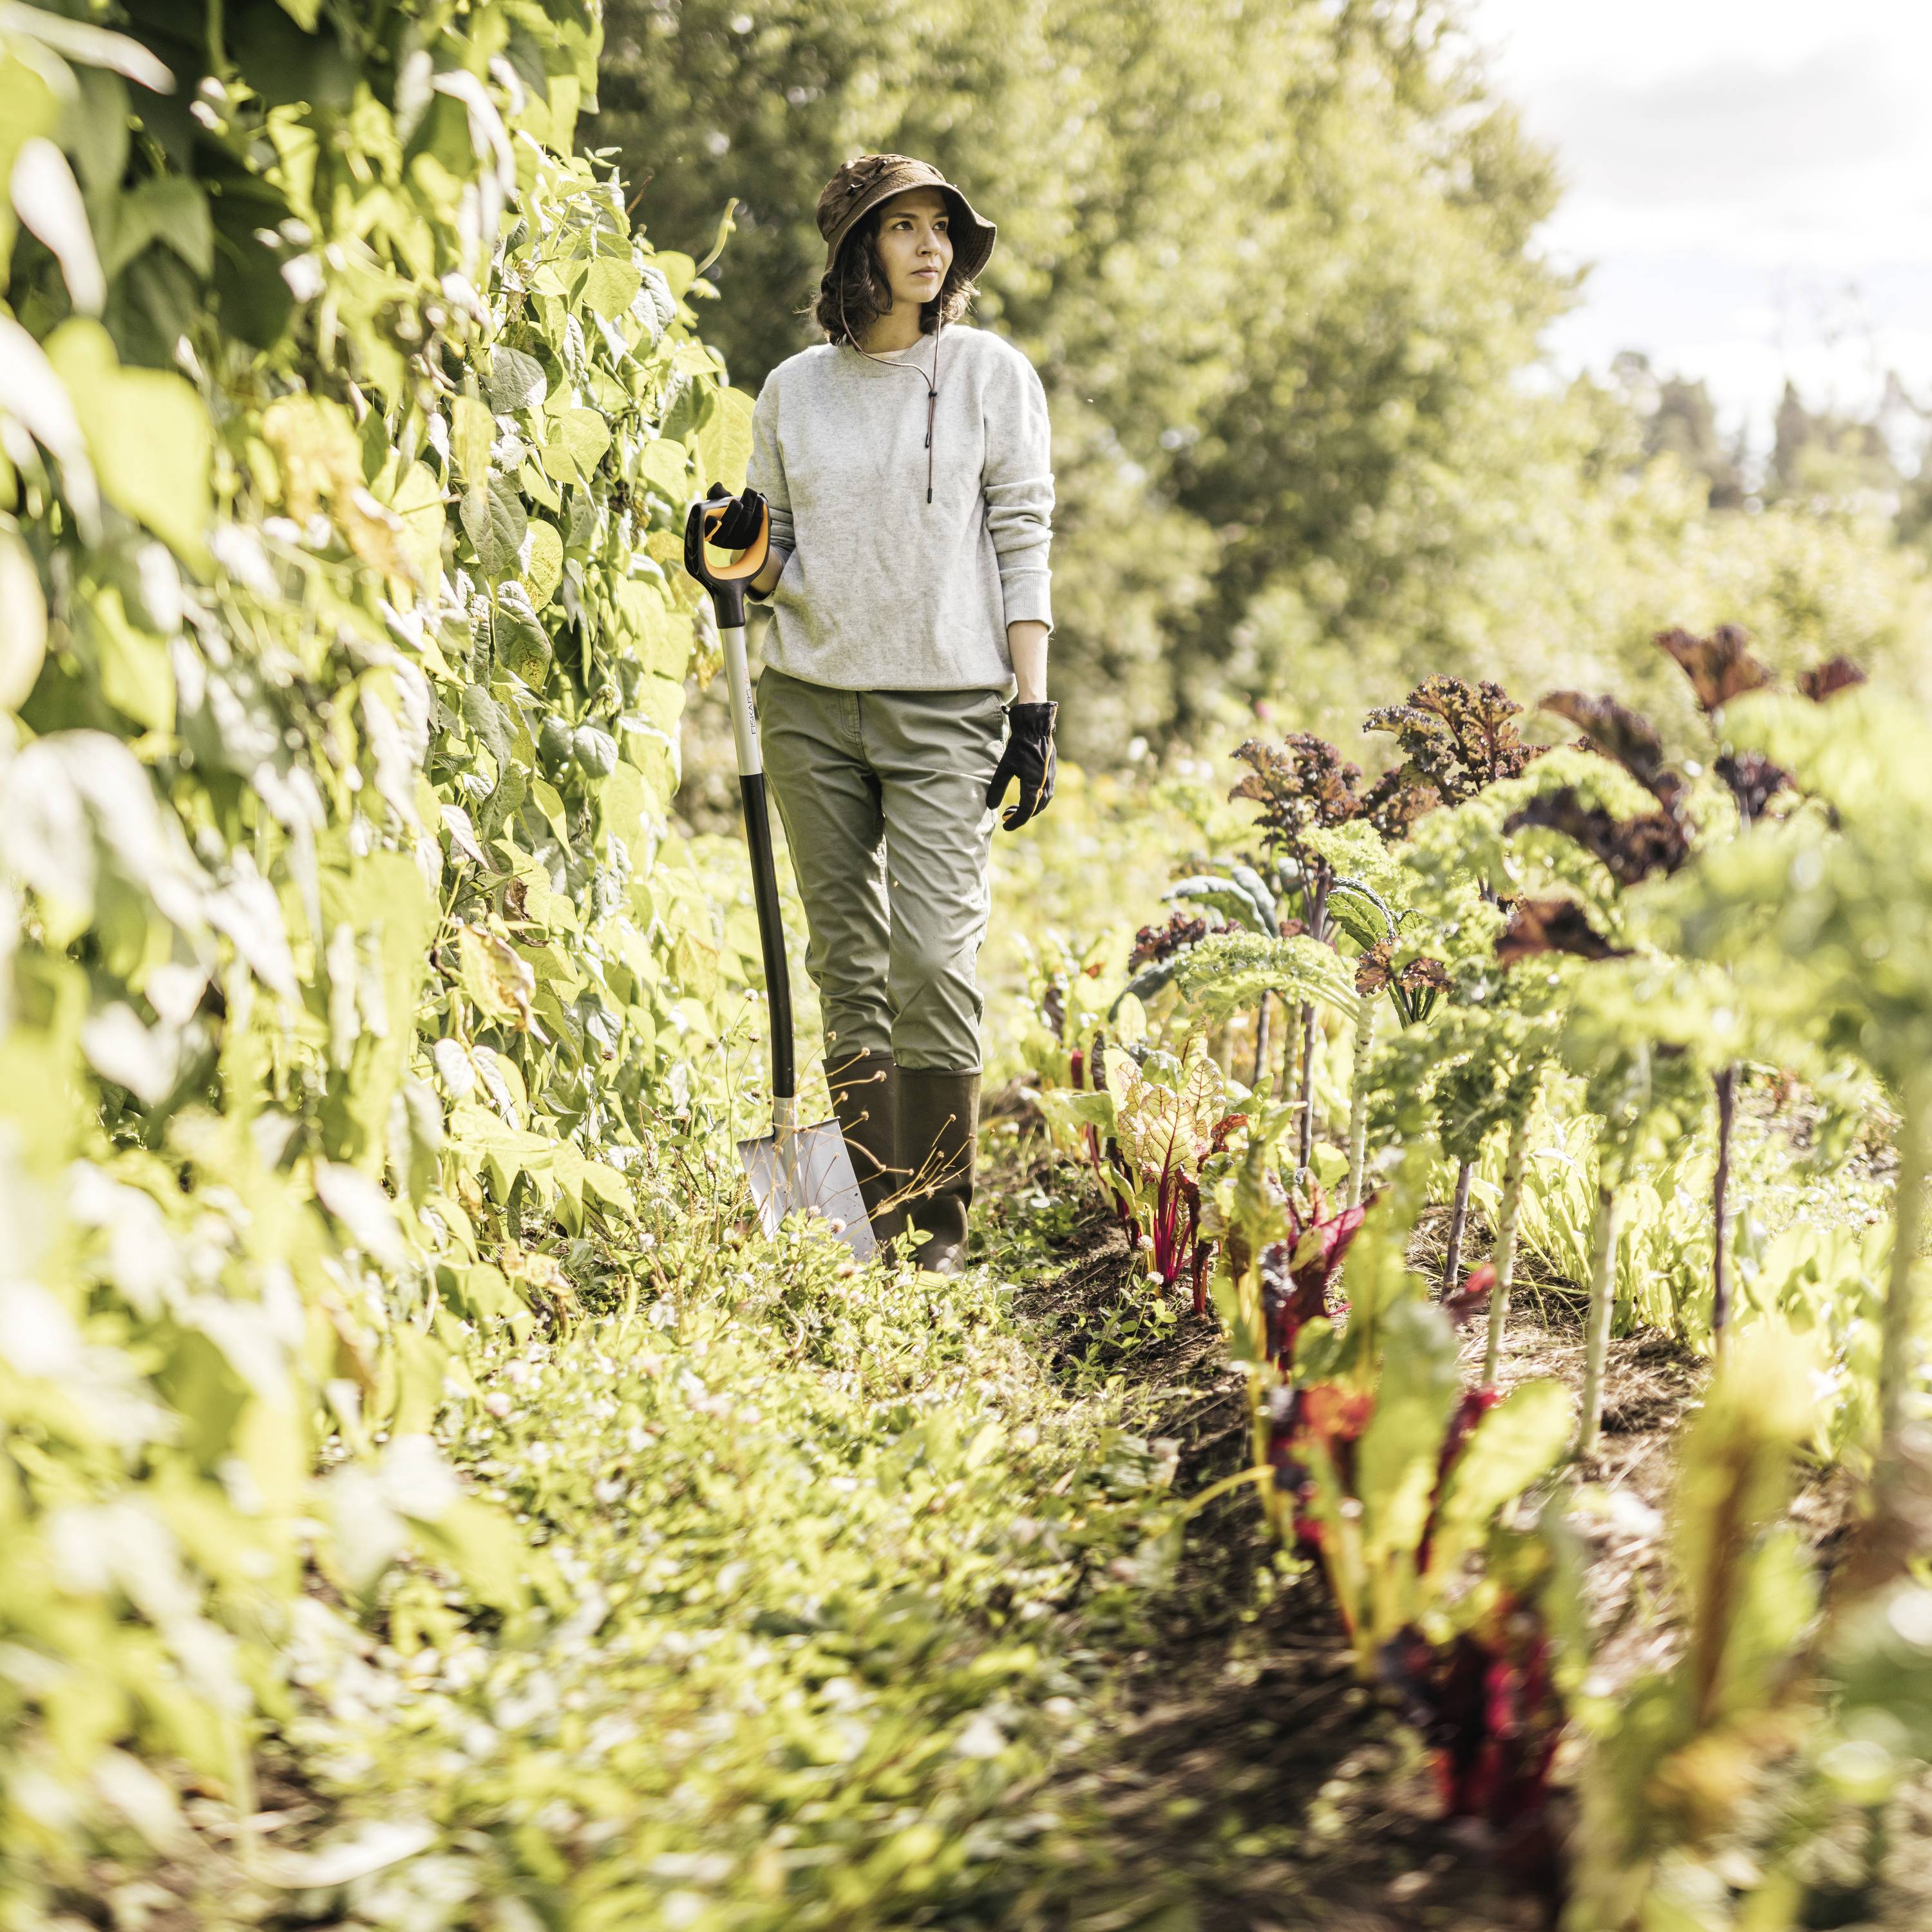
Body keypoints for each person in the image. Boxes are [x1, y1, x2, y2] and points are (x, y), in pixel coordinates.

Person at [703, 153, 1058, 1275]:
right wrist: (740, 556)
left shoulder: (991, 375)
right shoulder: (792, 389)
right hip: (809, 705)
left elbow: (1021, 535)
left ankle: (938, 1234)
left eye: (938, 228)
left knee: (934, 961)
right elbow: (774, 559)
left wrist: (1034, 709)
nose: (926, 246)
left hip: (947, 707)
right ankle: (874, 1226)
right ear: (859, 250)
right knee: (847, 963)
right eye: (900, 227)